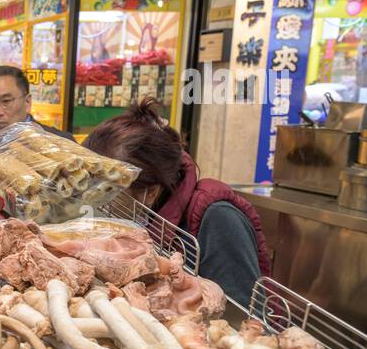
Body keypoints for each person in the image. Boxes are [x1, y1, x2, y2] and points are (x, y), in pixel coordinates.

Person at [83, 98, 272, 305]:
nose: (96, 199)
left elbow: (242, 314)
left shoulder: (218, 218)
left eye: (108, 191)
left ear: (152, 191)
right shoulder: (142, 216)